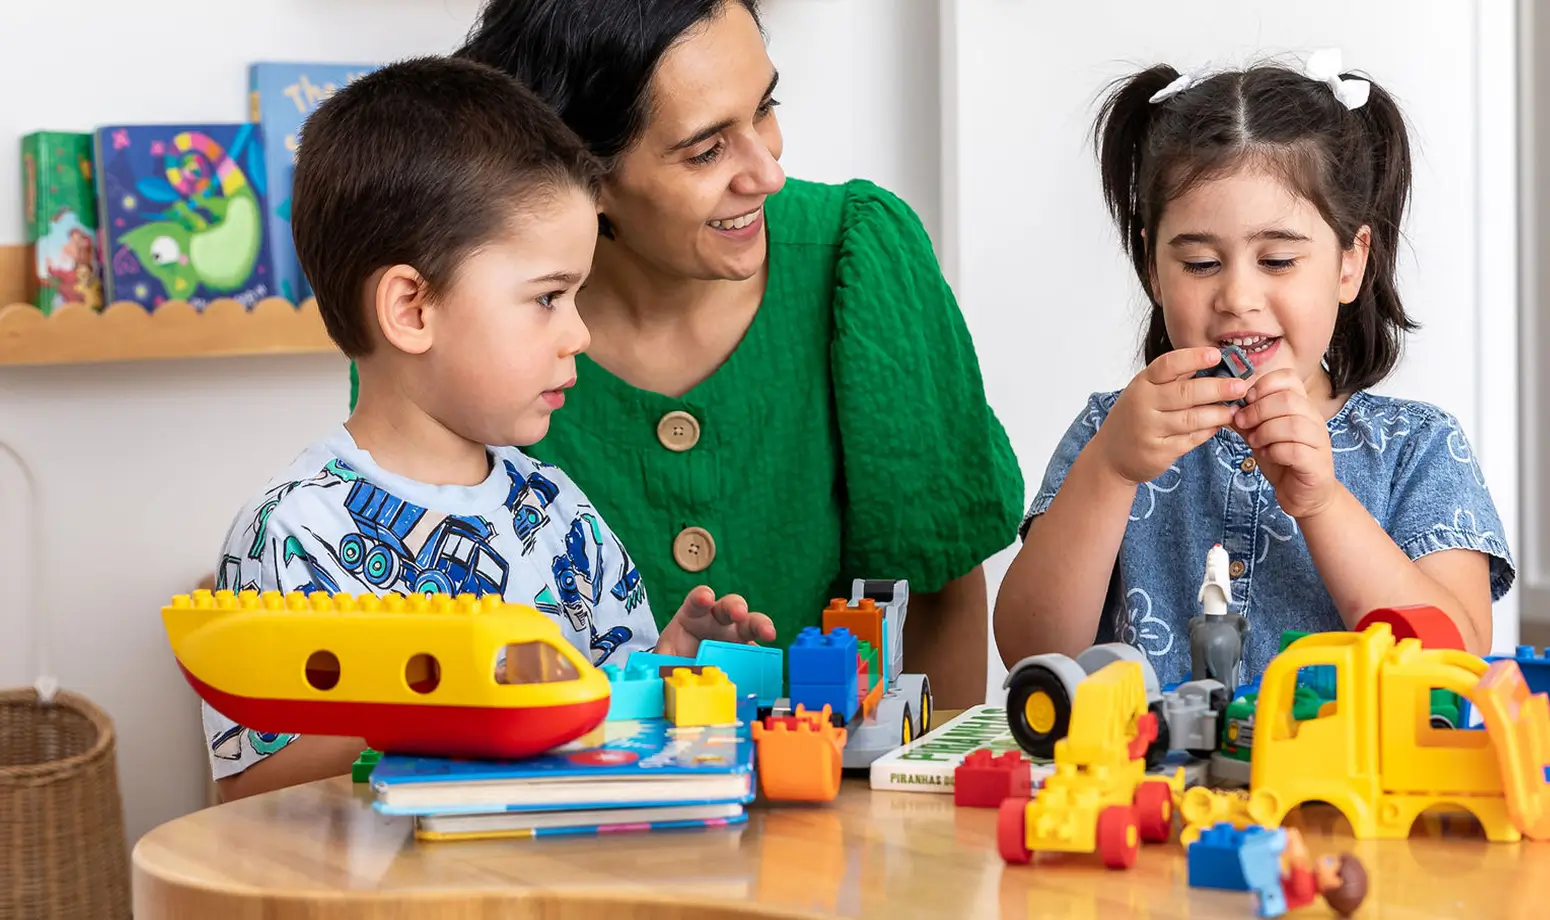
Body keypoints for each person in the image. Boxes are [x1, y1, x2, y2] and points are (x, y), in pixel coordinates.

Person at [412, 0, 1025, 708]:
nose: (766, 172)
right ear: (583, 172)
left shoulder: (860, 254)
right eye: (706, 150)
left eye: (765, 107)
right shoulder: (454, 318)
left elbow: (938, 586)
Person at [204, 56, 774, 802]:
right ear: (412, 309)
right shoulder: (293, 533)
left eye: (577, 298)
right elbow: (250, 794)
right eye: (546, 299)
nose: (578, 335)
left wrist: (670, 665)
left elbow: (604, 710)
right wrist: (444, 695)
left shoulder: (556, 509)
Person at [994, 51, 1514, 687]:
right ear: (1153, 270)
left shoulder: (1417, 450)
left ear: (1350, 262)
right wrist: (1109, 469)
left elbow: (1456, 664)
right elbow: (1031, 652)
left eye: (1277, 261)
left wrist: (1322, 503)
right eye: (1201, 264)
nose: (1238, 297)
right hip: (1145, 782)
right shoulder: (1111, 434)